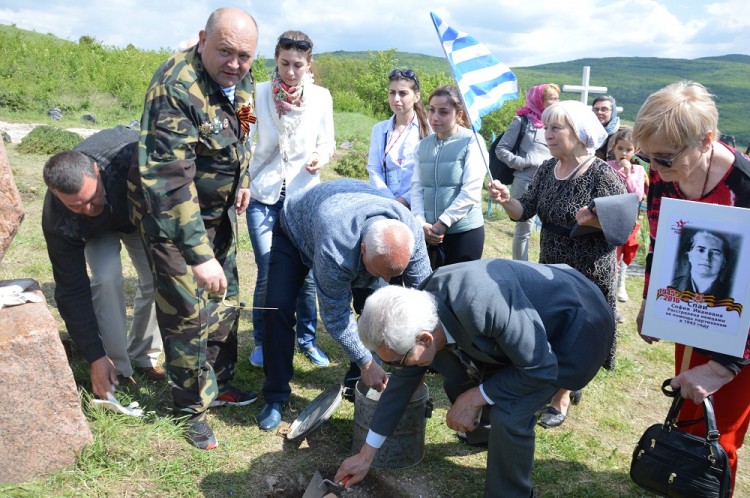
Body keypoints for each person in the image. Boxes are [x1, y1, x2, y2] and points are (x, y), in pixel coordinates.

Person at [335, 259, 615, 498]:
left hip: (576, 328)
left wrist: (476, 396)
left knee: (510, 412)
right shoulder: (418, 309)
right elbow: (402, 384)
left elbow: (539, 367)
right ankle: (485, 437)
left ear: (424, 338)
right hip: (526, 334)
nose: (395, 366)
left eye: (397, 360)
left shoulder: (485, 303)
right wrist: (365, 455)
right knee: (454, 375)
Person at [127, 7, 259, 450]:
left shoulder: (243, 78)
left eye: (244, 56)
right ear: (203, 40)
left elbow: (246, 124)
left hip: (219, 211)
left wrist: (243, 177)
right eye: (225, 52)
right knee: (186, 311)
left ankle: (218, 384)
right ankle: (189, 409)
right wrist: (198, 256)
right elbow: (168, 181)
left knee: (226, 300)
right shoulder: (175, 88)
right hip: (173, 217)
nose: (235, 64)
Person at [633, 81, 750, 493]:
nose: (656, 168)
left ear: (707, 141)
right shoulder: (663, 173)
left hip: (743, 338)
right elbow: (660, 241)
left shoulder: (747, 188)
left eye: (665, 158)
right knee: (692, 415)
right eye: (647, 156)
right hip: (695, 316)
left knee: (721, 436)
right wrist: (653, 301)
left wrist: (723, 368)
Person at [489, 99, 626, 428]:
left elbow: (624, 227)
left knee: (579, 330)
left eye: (555, 128)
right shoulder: (547, 169)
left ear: (578, 133)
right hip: (551, 264)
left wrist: (594, 222)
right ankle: (552, 379)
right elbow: (526, 211)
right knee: (553, 326)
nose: (546, 134)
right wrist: (508, 201)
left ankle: (563, 393)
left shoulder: (602, 173)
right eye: (545, 127)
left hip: (589, 267)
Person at [257, 179, 432, 431]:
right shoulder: (336, 245)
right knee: (277, 308)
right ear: (363, 250)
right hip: (296, 230)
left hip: (347, 216)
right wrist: (367, 362)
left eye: (392, 275)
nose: (386, 281)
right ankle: (275, 395)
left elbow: (424, 295)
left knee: (378, 312)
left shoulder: (410, 232)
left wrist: (421, 351)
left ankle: (356, 385)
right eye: (380, 272)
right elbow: (336, 315)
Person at [42, 126, 165, 401]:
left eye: (90, 198)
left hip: (138, 213)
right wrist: (94, 356)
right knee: (107, 278)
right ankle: (117, 366)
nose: (87, 209)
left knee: (158, 277)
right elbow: (71, 290)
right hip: (96, 233)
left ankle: (145, 355)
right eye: (76, 205)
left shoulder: (132, 154)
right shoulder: (59, 218)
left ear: (96, 171)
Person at [245, 30, 335, 369]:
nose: (291, 71)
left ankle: (306, 338)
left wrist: (318, 157)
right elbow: (244, 136)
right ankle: (262, 339)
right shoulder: (256, 94)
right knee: (268, 268)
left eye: (298, 65)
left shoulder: (322, 97)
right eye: (284, 63)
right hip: (263, 193)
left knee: (307, 273)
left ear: (309, 64)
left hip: (303, 197)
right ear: (276, 59)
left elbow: (327, 142)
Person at [411, 85, 488, 269]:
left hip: (464, 233)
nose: (434, 117)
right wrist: (421, 223)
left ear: (459, 114)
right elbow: (417, 188)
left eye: (443, 112)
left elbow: (471, 190)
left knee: (459, 293)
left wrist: (443, 223)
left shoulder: (472, 142)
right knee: (429, 292)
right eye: (431, 110)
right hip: (428, 233)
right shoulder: (422, 147)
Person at [495, 83, 560, 260]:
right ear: (539, 100)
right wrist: (523, 163)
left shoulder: (556, 125)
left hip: (552, 181)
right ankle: (521, 269)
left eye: (557, 98)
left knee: (552, 227)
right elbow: (501, 149)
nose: (556, 102)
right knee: (523, 229)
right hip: (526, 180)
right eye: (551, 98)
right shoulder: (521, 121)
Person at [366, 68, 431, 208]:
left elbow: (430, 174)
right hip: (385, 203)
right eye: (392, 93)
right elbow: (373, 169)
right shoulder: (379, 129)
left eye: (403, 93)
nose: (396, 99)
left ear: (416, 97)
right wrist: (389, 201)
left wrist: (405, 200)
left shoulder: (429, 129)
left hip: (419, 206)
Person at [606, 127, 645, 314]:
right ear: (614, 148)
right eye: (620, 148)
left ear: (635, 151)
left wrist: (628, 175)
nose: (623, 153)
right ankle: (609, 286)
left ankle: (621, 284)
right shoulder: (607, 166)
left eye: (628, 150)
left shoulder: (637, 170)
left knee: (624, 251)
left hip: (627, 218)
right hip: (609, 215)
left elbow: (637, 196)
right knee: (610, 253)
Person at [670, 230, 732, 299]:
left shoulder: (731, 295)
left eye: (715, 253)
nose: (706, 258)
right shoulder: (671, 285)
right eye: (700, 250)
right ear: (690, 255)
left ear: (724, 262)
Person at [591, 95, 620, 160]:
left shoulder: (621, 135)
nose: (599, 112)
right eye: (596, 109)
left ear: (613, 112)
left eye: (604, 109)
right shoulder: (587, 133)